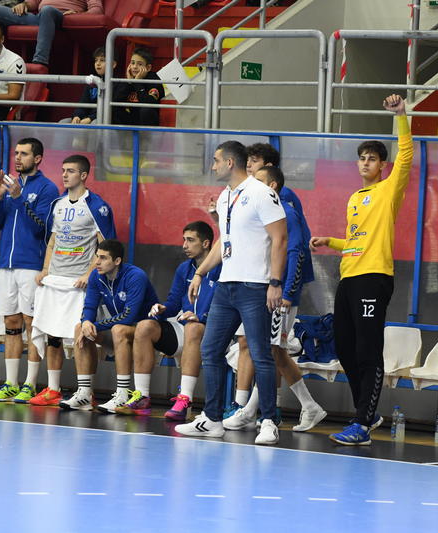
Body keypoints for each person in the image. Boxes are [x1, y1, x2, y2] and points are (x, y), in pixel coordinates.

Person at [310, 94, 413, 446]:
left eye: (372, 159)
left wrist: (401, 115)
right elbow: (357, 241)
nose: (365, 163)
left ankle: (362, 423)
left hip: (374, 278)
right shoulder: (355, 198)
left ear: (382, 164)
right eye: (362, 158)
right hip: (349, 278)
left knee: (368, 351)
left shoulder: (389, 189)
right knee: (345, 349)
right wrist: (331, 241)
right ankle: (366, 412)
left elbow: (406, 156)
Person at [174, 140, 287, 446]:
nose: (212, 166)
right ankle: (212, 420)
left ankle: (268, 421)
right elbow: (224, 242)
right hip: (226, 286)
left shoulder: (262, 193)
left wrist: (275, 282)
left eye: (215, 160)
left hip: (256, 286)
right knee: (210, 350)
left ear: (229, 163)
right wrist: (200, 272)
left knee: (260, 354)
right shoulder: (226, 196)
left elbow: (280, 238)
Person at [224, 166, 326, 433]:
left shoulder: (286, 213)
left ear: (272, 186)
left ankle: (251, 410)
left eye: (258, 180)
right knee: (274, 352)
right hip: (267, 292)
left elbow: (297, 253)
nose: (252, 184)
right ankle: (308, 406)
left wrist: (287, 293)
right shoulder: (265, 212)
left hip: (281, 296)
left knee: (270, 351)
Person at [28, 154, 115, 406]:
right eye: (63, 170)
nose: (65, 175)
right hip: (56, 280)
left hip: (79, 284)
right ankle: (53, 389)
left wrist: (89, 274)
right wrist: (45, 270)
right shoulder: (58, 204)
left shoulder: (97, 206)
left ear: (84, 175)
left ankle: (86, 392)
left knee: (83, 336)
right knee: (52, 335)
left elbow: (105, 246)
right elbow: (53, 241)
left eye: (71, 171)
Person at [118, 221, 221, 420]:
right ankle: (142, 396)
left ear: (206, 243)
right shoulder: (184, 269)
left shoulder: (222, 269)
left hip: (213, 331)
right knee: (144, 326)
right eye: (184, 240)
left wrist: (201, 317)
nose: (184, 245)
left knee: (193, 328)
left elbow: (226, 306)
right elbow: (174, 303)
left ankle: (185, 400)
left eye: (190, 240)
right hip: (185, 330)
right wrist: (162, 309)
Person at [0, 137, 59, 402]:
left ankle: (30, 383)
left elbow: (40, 228)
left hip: (31, 265)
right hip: (7, 264)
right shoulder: (9, 185)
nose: (17, 158)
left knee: (31, 323)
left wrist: (18, 198)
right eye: (16, 153)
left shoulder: (47, 188)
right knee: (11, 322)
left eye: (24, 154)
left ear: (37, 158)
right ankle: (11, 383)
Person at [61, 239, 158, 412]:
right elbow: (90, 306)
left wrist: (96, 325)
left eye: (103, 258)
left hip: (144, 332)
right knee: (80, 328)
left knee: (118, 329)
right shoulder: (96, 276)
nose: (97, 262)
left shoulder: (135, 276)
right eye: (97, 256)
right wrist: (86, 323)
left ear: (117, 260)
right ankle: (84, 394)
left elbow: (128, 317)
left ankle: (123, 394)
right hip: (116, 330)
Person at [0, 0, 102, 67]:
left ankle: (39, 62)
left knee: (47, 10)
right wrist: (24, 5)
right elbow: (34, 2)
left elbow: (97, 9)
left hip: (63, 19)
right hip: (39, 18)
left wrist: (78, 15)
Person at [62, 47, 115, 125]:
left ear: (113, 64)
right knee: (63, 122)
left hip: (104, 120)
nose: (98, 63)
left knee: (94, 123)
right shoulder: (92, 82)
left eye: (102, 60)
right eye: (96, 60)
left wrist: (90, 118)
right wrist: (77, 116)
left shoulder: (117, 84)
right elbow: (83, 104)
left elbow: (112, 110)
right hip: (87, 118)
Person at [115, 47, 164, 127]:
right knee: (114, 109)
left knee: (146, 110)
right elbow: (116, 101)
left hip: (148, 122)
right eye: (132, 63)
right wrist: (129, 83)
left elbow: (148, 104)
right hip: (132, 120)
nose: (134, 66)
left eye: (140, 64)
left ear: (148, 68)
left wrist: (137, 83)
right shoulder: (129, 78)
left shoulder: (154, 79)